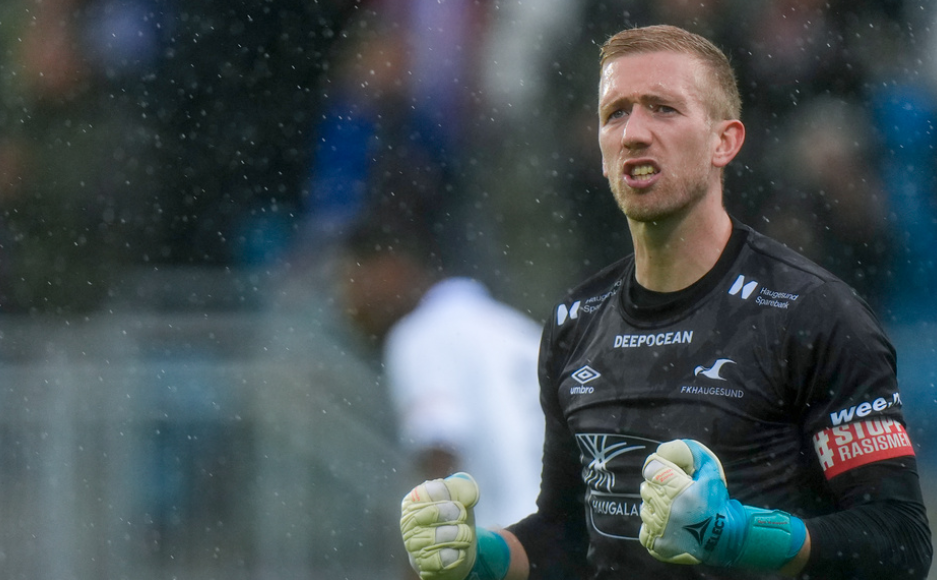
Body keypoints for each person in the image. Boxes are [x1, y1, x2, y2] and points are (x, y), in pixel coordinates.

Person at [398, 24, 933, 580]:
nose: (633, 132)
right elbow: (567, 532)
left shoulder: (815, 313)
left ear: (724, 141)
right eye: (615, 113)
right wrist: (478, 556)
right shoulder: (575, 321)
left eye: (662, 109)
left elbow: (900, 541)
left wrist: (740, 536)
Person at [340, 222, 545, 529]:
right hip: (572, 541)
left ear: (391, 268)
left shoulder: (421, 335)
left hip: (509, 549)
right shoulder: (514, 328)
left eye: (351, 280)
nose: (348, 305)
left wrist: (425, 567)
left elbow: (440, 458)